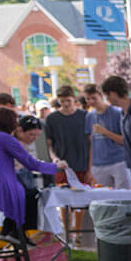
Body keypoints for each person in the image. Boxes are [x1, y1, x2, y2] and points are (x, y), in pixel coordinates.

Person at [0, 107, 62, 246]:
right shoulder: (5, 138)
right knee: (32, 194)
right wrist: (56, 167)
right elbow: (32, 165)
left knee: (24, 192)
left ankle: (0, 238)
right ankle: (15, 231)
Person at [44, 86, 92, 242]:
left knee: (81, 201)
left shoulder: (84, 116)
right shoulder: (52, 119)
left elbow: (91, 144)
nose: (65, 104)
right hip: (62, 164)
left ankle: (77, 232)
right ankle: (67, 233)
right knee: (64, 201)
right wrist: (55, 158)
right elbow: (48, 144)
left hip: (81, 163)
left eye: (68, 101)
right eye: (62, 101)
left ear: (75, 100)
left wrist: (90, 168)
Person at [84, 84, 130, 188]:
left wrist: (105, 132)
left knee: (123, 196)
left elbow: (124, 140)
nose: (91, 101)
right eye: (88, 99)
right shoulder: (89, 116)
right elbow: (91, 143)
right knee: (104, 197)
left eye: (94, 98)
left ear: (101, 96)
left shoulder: (117, 113)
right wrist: (90, 167)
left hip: (118, 161)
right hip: (99, 164)